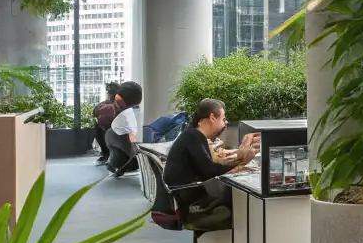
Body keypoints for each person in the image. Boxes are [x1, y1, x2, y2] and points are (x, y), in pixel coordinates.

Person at [161, 98, 261, 229]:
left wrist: (237, 164)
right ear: (212, 117)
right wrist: (238, 168)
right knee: (242, 200)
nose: (225, 124)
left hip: (186, 194)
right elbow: (209, 171)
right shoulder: (193, 137)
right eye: (223, 119)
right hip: (191, 200)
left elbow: (208, 167)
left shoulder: (193, 136)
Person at [105, 81, 143, 176]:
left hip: (130, 154)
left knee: (112, 135)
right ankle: (115, 163)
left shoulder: (126, 113)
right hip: (120, 140)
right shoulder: (132, 112)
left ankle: (116, 164)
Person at [92, 81, 120, 164]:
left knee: (108, 130)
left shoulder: (119, 102)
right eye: (108, 91)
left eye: (111, 92)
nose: (109, 93)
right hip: (104, 125)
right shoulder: (105, 103)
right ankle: (106, 154)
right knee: (97, 128)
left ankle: (111, 154)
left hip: (115, 126)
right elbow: (95, 112)